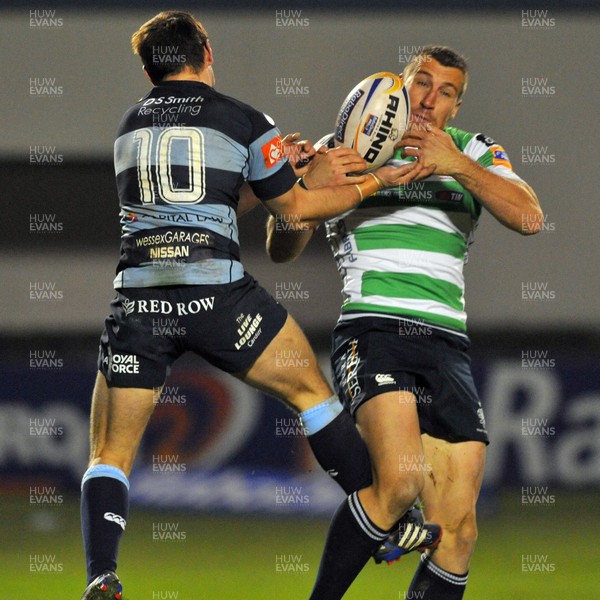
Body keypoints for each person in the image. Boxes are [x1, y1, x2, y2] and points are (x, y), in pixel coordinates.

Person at [78, 11, 435, 600]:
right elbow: (292, 214)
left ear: (148, 68)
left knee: (109, 452)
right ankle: (392, 522)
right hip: (218, 296)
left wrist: (265, 173)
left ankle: (102, 576)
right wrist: (375, 181)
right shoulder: (243, 119)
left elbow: (194, 205)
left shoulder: (128, 128)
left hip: (141, 299)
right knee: (310, 393)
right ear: (206, 51)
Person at [266, 46, 543, 599]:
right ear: (398, 83)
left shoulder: (474, 151)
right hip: (375, 332)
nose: (429, 98)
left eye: (446, 92)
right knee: (398, 483)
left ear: (456, 108)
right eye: (422, 83)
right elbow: (282, 247)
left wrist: (457, 165)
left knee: (458, 532)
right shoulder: (344, 150)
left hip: (448, 347)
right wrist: (307, 185)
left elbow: (529, 216)